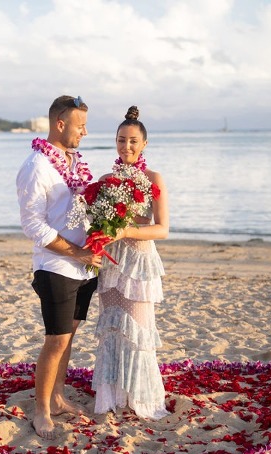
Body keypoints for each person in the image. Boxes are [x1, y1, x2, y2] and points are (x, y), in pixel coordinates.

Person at [16, 95, 102, 439]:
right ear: (60, 124)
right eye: (79, 125)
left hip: (85, 268)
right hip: (56, 267)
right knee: (56, 341)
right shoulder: (36, 166)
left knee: (69, 338)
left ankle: (57, 396)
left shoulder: (74, 161)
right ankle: (40, 411)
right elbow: (33, 226)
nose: (84, 131)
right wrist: (77, 252)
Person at [91, 106, 170, 420]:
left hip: (138, 263)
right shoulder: (105, 180)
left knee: (137, 331)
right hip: (111, 262)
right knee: (111, 329)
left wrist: (126, 229)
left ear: (144, 144)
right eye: (121, 140)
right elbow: (96, 225)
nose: (127, 147)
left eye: (133, 141)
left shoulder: (153, 178)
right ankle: (112, 397)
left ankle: (141, 397)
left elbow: (163, 228)